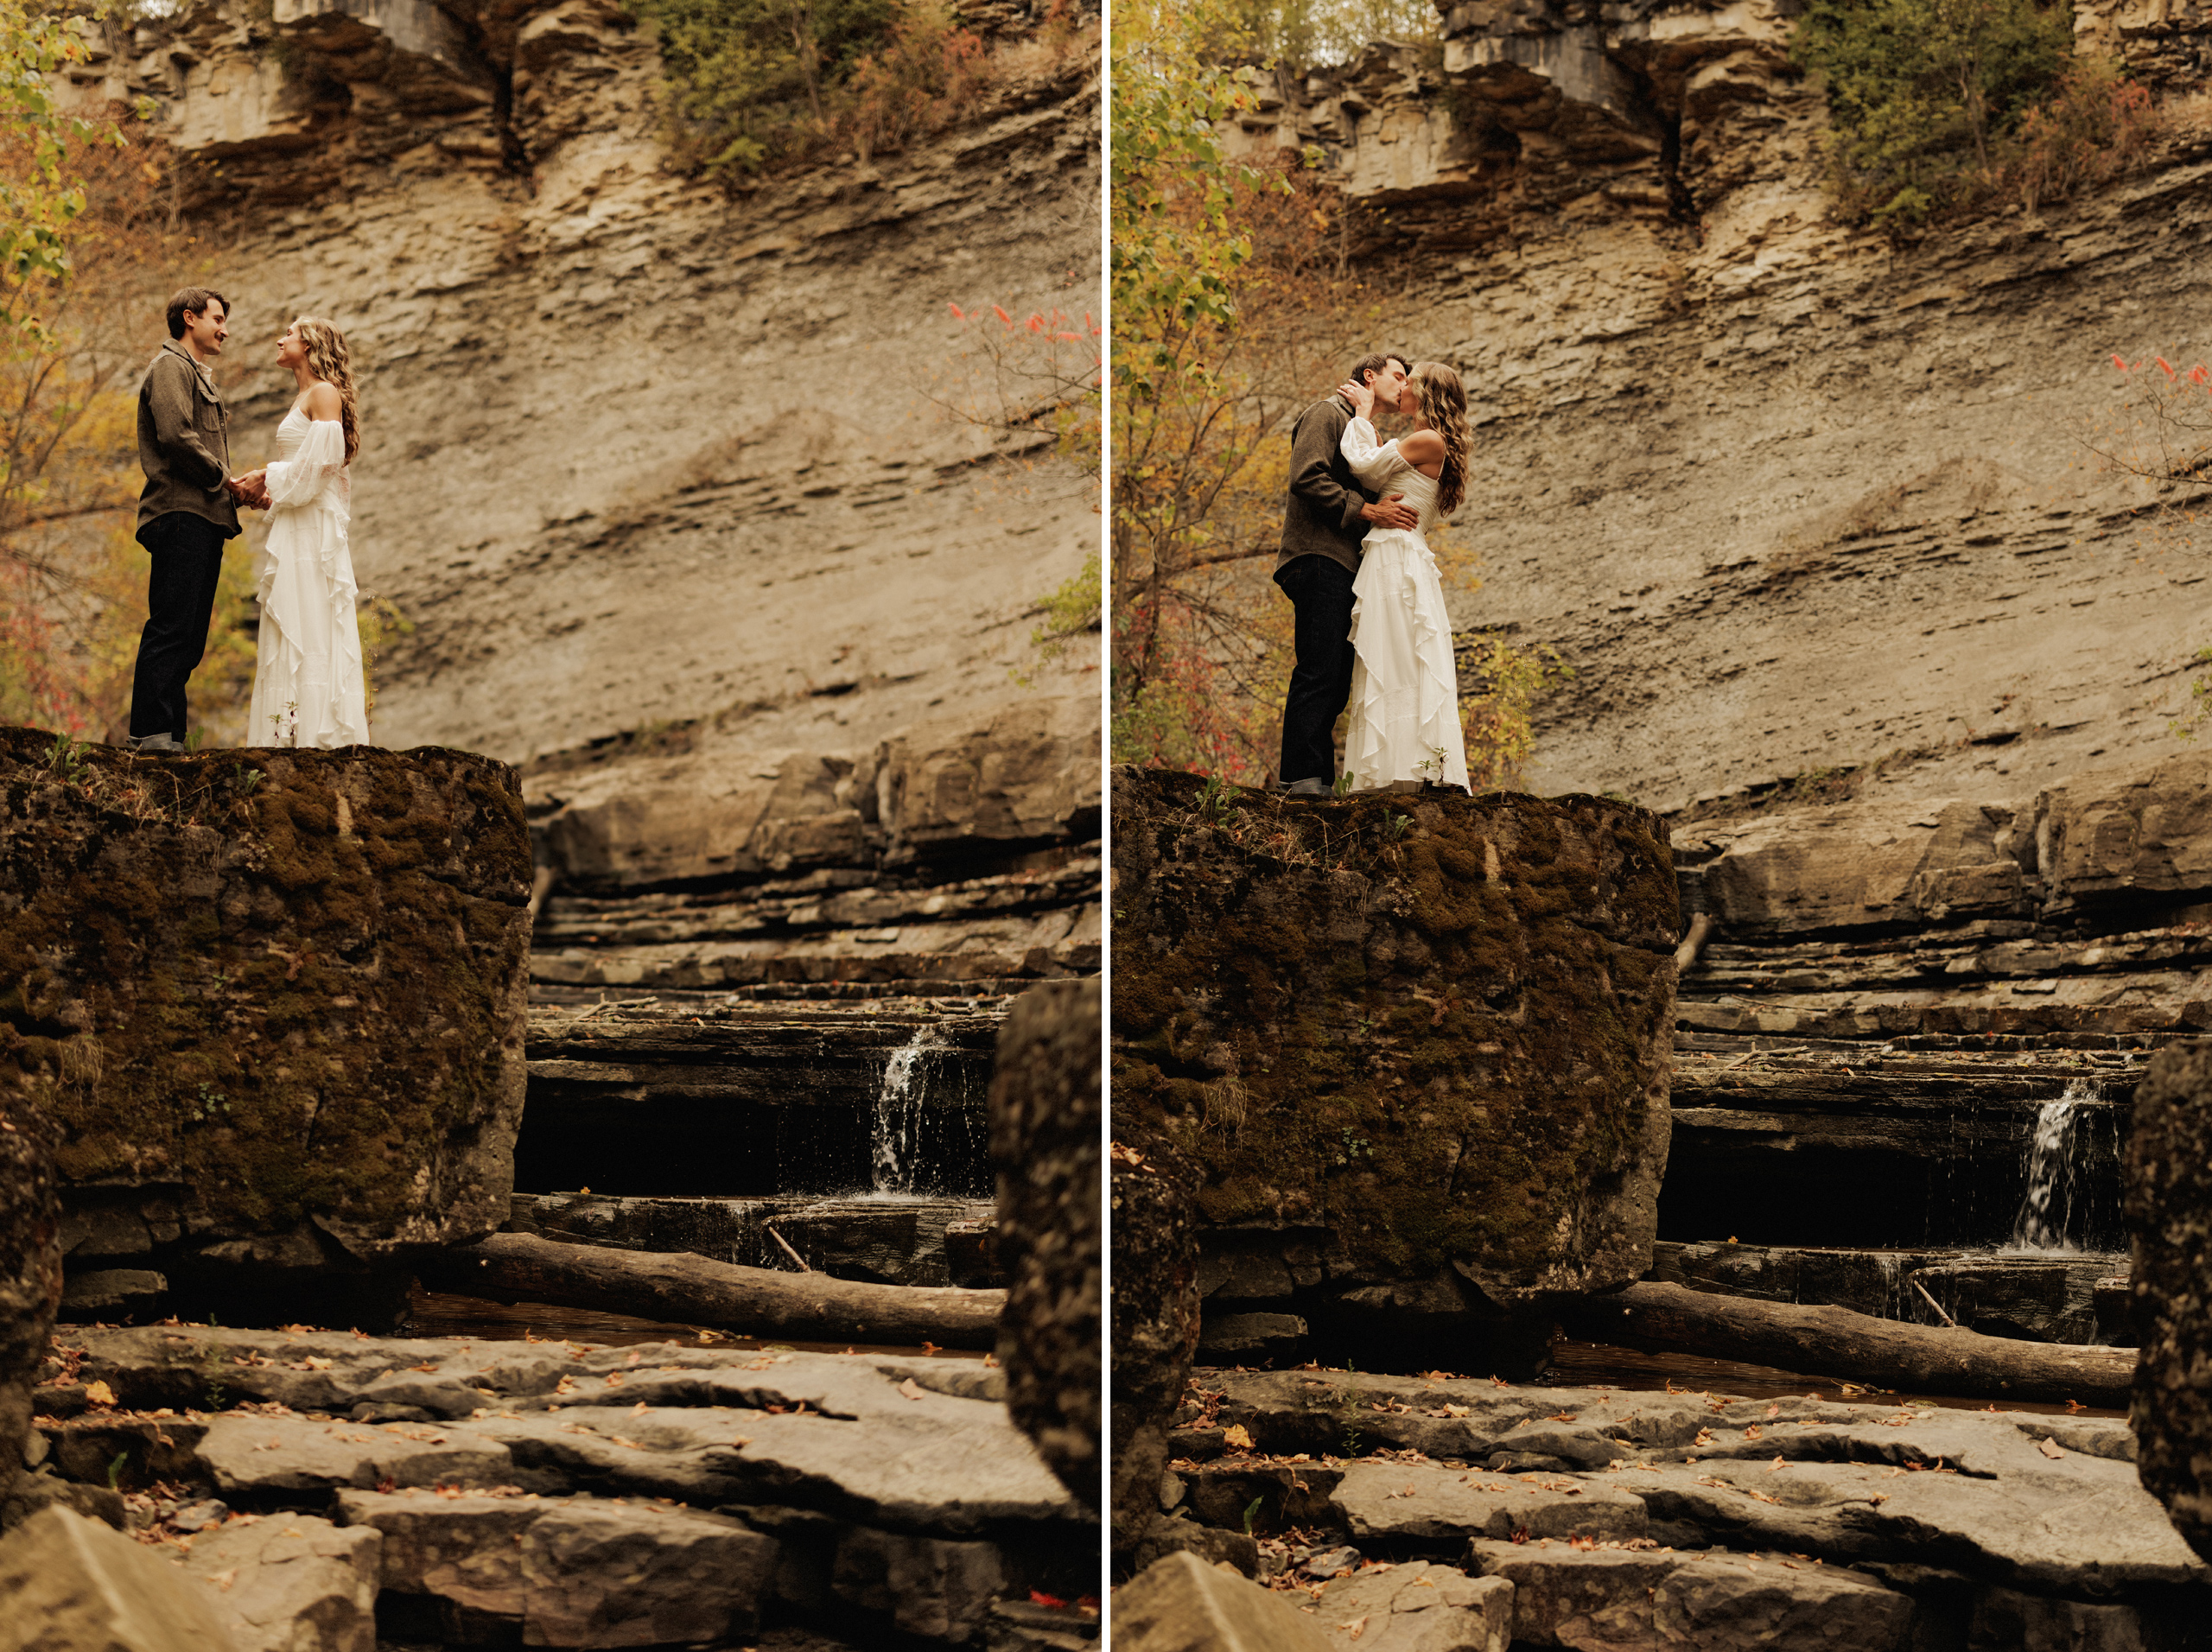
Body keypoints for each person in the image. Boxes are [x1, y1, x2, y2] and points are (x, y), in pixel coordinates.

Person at [125, 288, 264, 754]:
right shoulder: (170, 367)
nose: (225, 329)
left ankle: (171, 737)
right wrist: (229, 482)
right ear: (190, 318)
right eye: (218, 319)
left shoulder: (193, 374)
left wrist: (239, 493)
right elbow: (177, 436)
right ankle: (151, 735)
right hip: (179, 514)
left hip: (202, 517)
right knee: (172, 626)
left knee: (190, 635)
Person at [1274, 353, 1421, 795]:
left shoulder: (1366, 431)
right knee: (1320, 669)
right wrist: (1368, 509)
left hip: (1345, 564)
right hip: (1317, 556)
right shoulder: (1325, 413)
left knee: (1337, 677)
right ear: (1369, 376)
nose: (1404, 385)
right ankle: (1301, 780)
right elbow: (1306, 477)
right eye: (1398, 376)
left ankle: (1316, 779)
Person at [231, 317, 369, 749]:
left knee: (309, 619)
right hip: (296, 523)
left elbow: (325, 464)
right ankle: (284, 734)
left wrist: (264, 476)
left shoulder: (324, 392)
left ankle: (315, 737)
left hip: (312, 532)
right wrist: (267, 492)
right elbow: (307, 473)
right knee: (289, 620)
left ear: (309, 344)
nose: (279, 339)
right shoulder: (304, 397)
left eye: (288, 334)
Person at [1335, 359, 1472, 792]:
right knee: (1394, 657)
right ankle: (1399, 771)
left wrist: (1360, 413)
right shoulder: (1424, 441)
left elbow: (1362, 466)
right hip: (1397, 555)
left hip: (1396, 558)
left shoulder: (1428, 439)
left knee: (1394, 656)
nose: (1403, 388)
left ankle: (1405, 774)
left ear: (1426, 393)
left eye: (1410, 382)